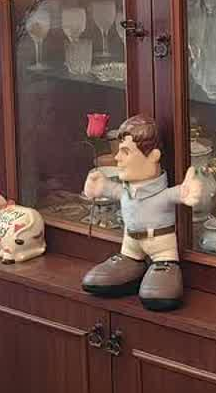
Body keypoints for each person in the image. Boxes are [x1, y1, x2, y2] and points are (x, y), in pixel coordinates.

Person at [80, 114, 207, 311]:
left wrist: (186, 191)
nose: (117, 158)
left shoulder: (161, 195)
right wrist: (100, 187)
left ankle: (164, 265)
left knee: (158, 291)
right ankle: (131, 262)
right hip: (130, 245)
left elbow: (175, 194)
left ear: (153, 156)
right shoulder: (126, 191)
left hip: (161, 248)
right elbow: (116, 191)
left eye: (125, 152)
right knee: (107, 273)